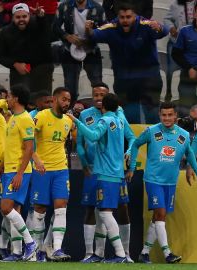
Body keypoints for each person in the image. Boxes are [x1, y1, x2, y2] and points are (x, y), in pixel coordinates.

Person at [127, 101, 197, 264]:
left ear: (175, 116)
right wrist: (132, 166)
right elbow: (135, 144)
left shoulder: (183, 134)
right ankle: (168, 253)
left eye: (170, 115)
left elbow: (190, 154)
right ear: (159, 115)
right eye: (164, 115)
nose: (167, 118)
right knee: (161, 213)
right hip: (153, 180)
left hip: (170, 182)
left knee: (158, 216)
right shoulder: (151, 131)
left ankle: (145, 252)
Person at [77, 82, 136, 263]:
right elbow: (80, 143)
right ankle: (94, 253)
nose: (98, 98)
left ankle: (123, 253)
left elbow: (131, 137)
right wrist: (84, 162)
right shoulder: (87, 114)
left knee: (114, 209)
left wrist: (130, 156)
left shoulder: (116, 115)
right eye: (95, 95)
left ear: (108, 97)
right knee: (94, 209)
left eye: (102, 95)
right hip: (95, 170)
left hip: (109, 171)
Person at [86, 3, 168, 124]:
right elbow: (95, 35)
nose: (125, 20)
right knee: (129, 119)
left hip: (149, 79)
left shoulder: (145, 24)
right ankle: (131, 143)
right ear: (118, 16)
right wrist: (88, 30)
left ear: (135, 16)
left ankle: (155, 142)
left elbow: (163, 31)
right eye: (122, 17)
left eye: (128, 17)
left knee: (152, 118)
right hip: (125, 81)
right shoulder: (112, 27)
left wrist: (160, 28)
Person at [0, 84, 38, 262]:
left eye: (9, 96)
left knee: (6, 208)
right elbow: (11, 147)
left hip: (19, 171)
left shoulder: (25, 119)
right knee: (15, 211)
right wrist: (1, 167)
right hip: (9, 169)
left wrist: (19, 174)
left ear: (17, 98)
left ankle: (30, 243)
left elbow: (28, 149)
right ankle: (17, 252)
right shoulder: (12, 118)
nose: (7, 99)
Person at [30, 87, 72, 262]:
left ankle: (57, 249)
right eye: (64, 99)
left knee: (61, 208)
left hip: (61, 169)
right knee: (40, 210)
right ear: (54, 100)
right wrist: (35, 159)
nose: (67, 103)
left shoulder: (68, 121)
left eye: (69, 100)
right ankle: (38, 249)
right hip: (42, 169)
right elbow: (27, 139)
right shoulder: (41, 116)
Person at [54, 0, 104, 103]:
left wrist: (91, 33)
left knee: (98, 85)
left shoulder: (97, 8)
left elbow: (104, 28)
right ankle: (69, 115)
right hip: (69, 49)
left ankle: (102, 112)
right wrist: (67, 36)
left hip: (91, 50)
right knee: (70, 88)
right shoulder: (64, 6)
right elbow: (55, 27)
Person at [0, 3, 54, 94]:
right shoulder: (5, 32)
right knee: (19, 101)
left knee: (43, 101)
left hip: (42, 69)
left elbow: (44, 27)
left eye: (24, 16)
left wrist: (40, 16)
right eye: (18, 17)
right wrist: (14, 64)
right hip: (18, 71)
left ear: (29, 16)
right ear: (12, 18)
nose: (21, 19)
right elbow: (0, 56)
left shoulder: (38, 24)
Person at [171, 0, 197, 118]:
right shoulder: (185, 31)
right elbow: (176, 54)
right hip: (188, 76)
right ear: (194, 14)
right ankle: (188, 136)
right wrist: (190, 68)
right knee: (186, 112)